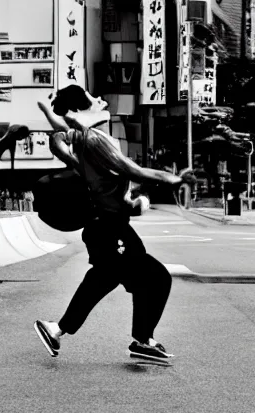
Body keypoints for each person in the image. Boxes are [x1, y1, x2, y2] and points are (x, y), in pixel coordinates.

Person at [31, 84, 193, 365]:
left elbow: (58, 139)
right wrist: (173, 179)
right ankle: (140, 340)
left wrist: (56, 126)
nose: (101, 100)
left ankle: (60, 330)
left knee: (105, 279)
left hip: (110, 226)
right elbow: (132, 169)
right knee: (153, 278)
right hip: (108, 229)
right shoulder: (94, 140)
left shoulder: (83, 138)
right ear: (82, 110)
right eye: (93, 98)